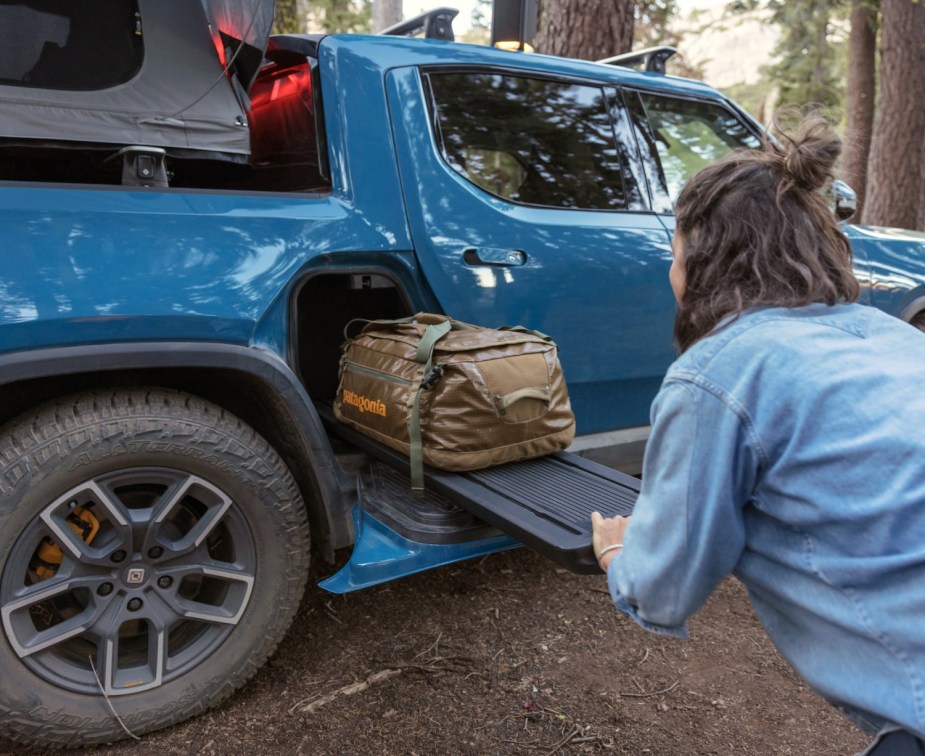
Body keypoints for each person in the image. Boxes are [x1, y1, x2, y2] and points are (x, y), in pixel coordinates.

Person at [591, 113, 925, 755]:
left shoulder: (718, 375)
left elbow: (663, 588)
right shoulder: (898, 336)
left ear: (701, 259)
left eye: (673, 253)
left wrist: (618, 554)